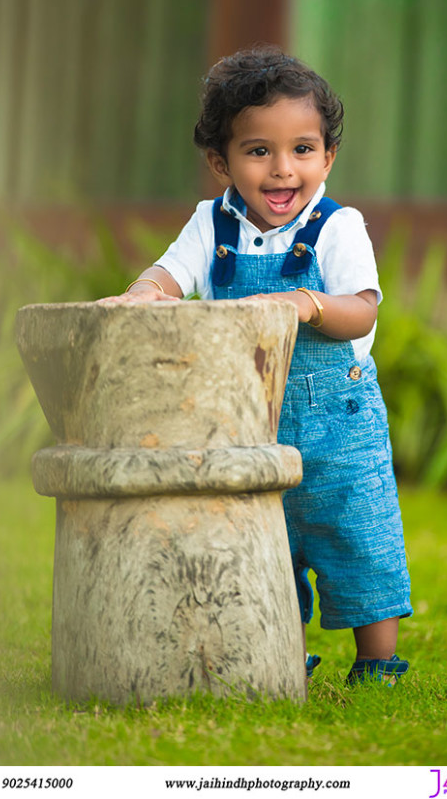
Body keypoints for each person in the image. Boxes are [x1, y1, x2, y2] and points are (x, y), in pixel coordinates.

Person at [101, 46, 412, 685]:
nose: (282, 170)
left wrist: (308, 302)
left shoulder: (337, 226)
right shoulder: (210, 224)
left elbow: (362, 310)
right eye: (258, 151)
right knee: (261, 541)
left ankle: (378, 660)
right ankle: (278, 649)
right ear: (222, 162)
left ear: (327, 156)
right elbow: (173, 274)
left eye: (302, 149)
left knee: (357, 536)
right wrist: (143, 292)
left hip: (337, 425)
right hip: (245, 418)